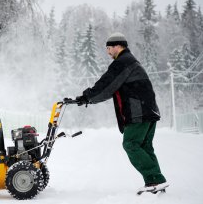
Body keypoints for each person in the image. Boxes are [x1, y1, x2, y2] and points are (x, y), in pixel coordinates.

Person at [69, 32, 168, 192]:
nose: (108, 52)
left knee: (131, 144)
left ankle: (155, 181)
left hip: (138, 112)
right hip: (149, 110)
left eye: (109, 48)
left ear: (118, 46)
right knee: (144, 146)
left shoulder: (123, 62)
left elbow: (107, 85)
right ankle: (156, 181)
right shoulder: (132, 61)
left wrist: (86, 97)